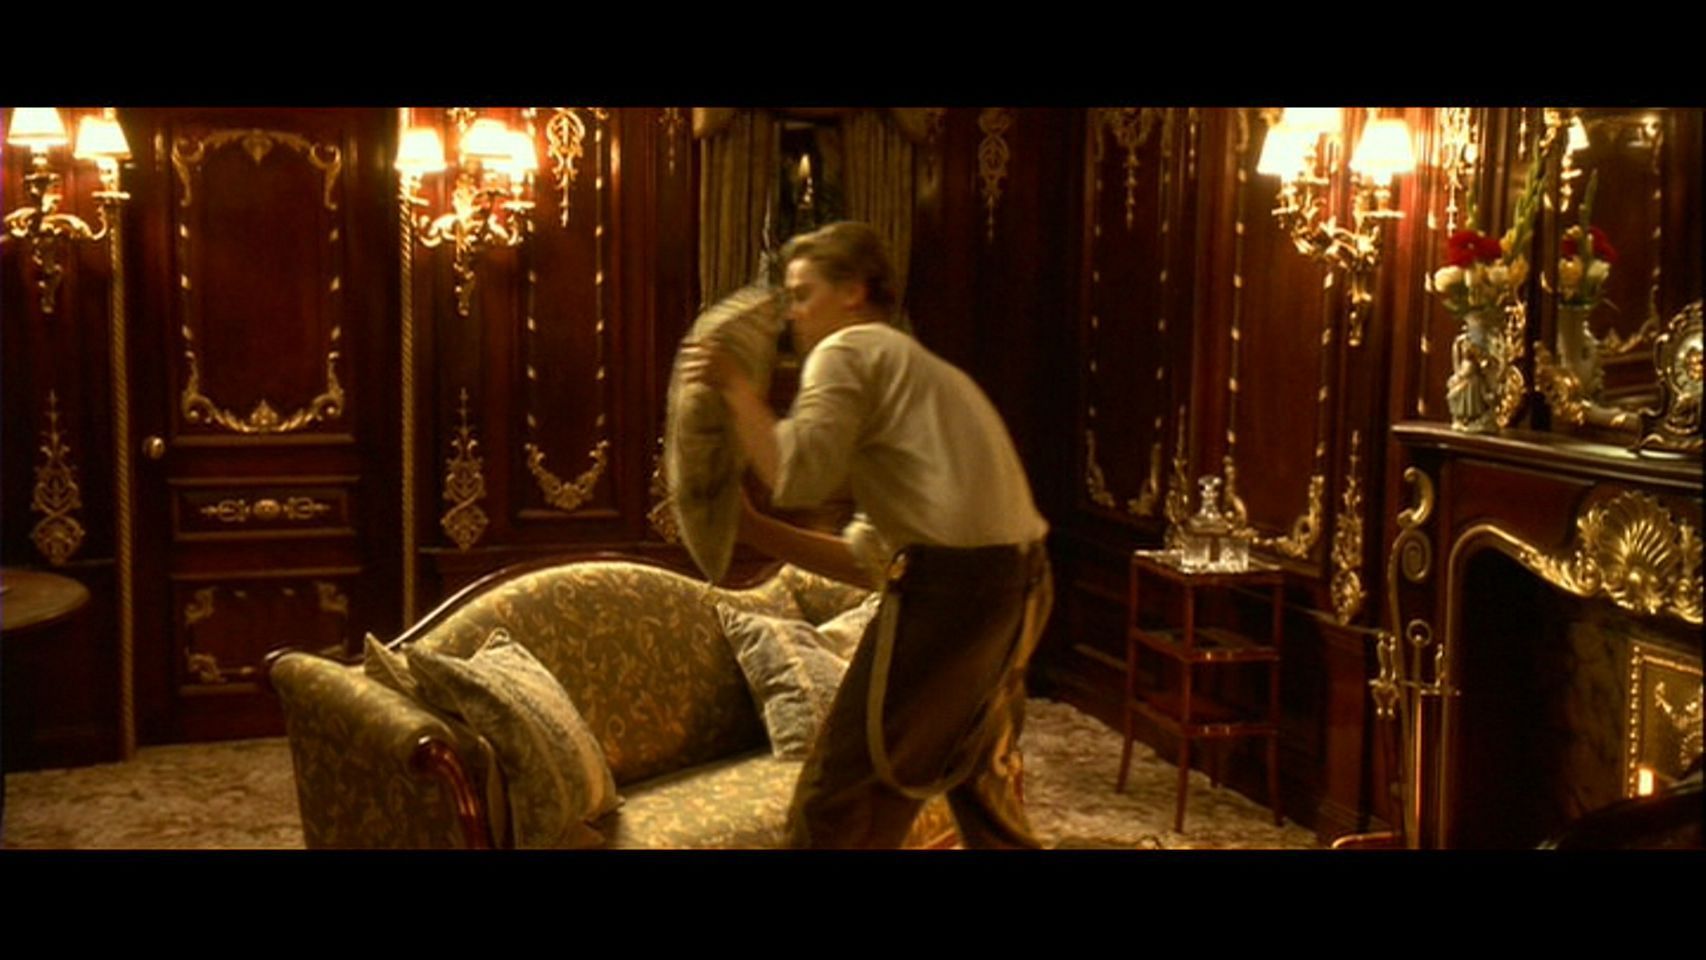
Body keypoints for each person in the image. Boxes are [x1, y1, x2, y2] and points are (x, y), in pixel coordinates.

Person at [681, 221, 1052, 849]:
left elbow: (795, 474)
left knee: (837, 795)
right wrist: (755, 530)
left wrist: (733, 384)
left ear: (853, 291)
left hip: (956, 594)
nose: (792, 314)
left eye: (803, 294)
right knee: (966, 779)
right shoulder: (917, 380)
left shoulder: (849, 350)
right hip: (1019, 588)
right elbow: (874, 564)